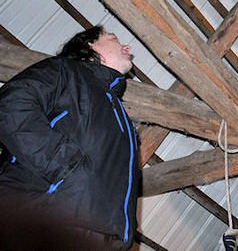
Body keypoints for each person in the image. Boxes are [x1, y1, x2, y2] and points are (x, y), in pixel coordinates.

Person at [0, 26, 140, 250]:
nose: (127, 47)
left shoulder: (122, 119)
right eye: (113, 39)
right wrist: (66, 168)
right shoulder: (67, 71)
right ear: (89, 46)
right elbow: (12, 106)